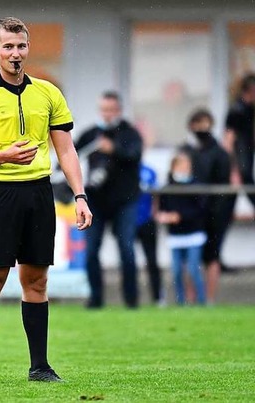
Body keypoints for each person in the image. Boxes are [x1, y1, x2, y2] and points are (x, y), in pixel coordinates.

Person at [0, 17, 92, 384]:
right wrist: (3, 156)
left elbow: (66, 150)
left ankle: (40, 367)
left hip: (38, 193)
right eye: (8, 46)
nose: (15, 53)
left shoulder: (48, 93)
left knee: (36, 280)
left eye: (21, 46)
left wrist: (80, 195)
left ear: (28, 49)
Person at [75, 91, 143, 309]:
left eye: (111, 110)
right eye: (104, 110)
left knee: (127, 249)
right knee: (91, 250)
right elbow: (70, 157)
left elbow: (135, 155)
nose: (107, 114)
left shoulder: (130, 133)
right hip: (95, 201)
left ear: (119, 110)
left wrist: (113, 149)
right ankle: (95, 299)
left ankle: (131, 300)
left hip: (126, 200)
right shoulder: (90, 134)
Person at [180, 109, 232, 305]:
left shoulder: (219, 153)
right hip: (191, 213)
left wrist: (217, 212)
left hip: (215, 214)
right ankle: (190, 298)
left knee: (212, 256)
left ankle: (208, 299)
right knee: (190, 257)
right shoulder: (185, 151)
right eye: (197, 124)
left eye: (205, 123)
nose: (201, 128)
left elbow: (224, 186)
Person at [155, 152, 207, 305]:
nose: (184, 169)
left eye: (187, 166)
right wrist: (163, 216)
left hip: (193, 234)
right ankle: (181, 301)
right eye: (181, 166)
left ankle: (202, 301)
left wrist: (180, 216)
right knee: (177, 271)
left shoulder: (195, 186)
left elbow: (200, 210)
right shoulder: (167, 188)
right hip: (175, 235)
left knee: (193, 269)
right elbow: (162, 208)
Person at [224, 74, 255, 209]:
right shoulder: (237, 110)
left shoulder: (250, 108)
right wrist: (233, 169)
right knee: (244, 182)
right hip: (240, 158)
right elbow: (228, 140)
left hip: (246, 154)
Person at [136, 162, 163, 305]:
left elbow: (156, 194)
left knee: (152, 260)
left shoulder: (149, 171)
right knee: (129, 260)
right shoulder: (124, 170)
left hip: (147, 221)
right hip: (129, 222)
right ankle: (132, 298)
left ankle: (158, 297)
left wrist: (155, 213)